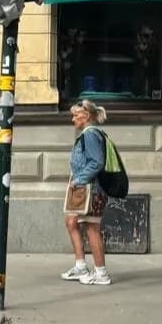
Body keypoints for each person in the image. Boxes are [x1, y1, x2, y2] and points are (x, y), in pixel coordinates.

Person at [61, 98, 112, 286]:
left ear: (87, 116)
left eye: (76, 116)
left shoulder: (90, 134)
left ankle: (101, 273)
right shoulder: (87, 134)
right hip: (84, 188)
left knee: (92, 228)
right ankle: (81, 266)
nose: (73, 120)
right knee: (71, 221)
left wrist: (79, 179)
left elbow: (97, 162)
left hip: (91, 189)